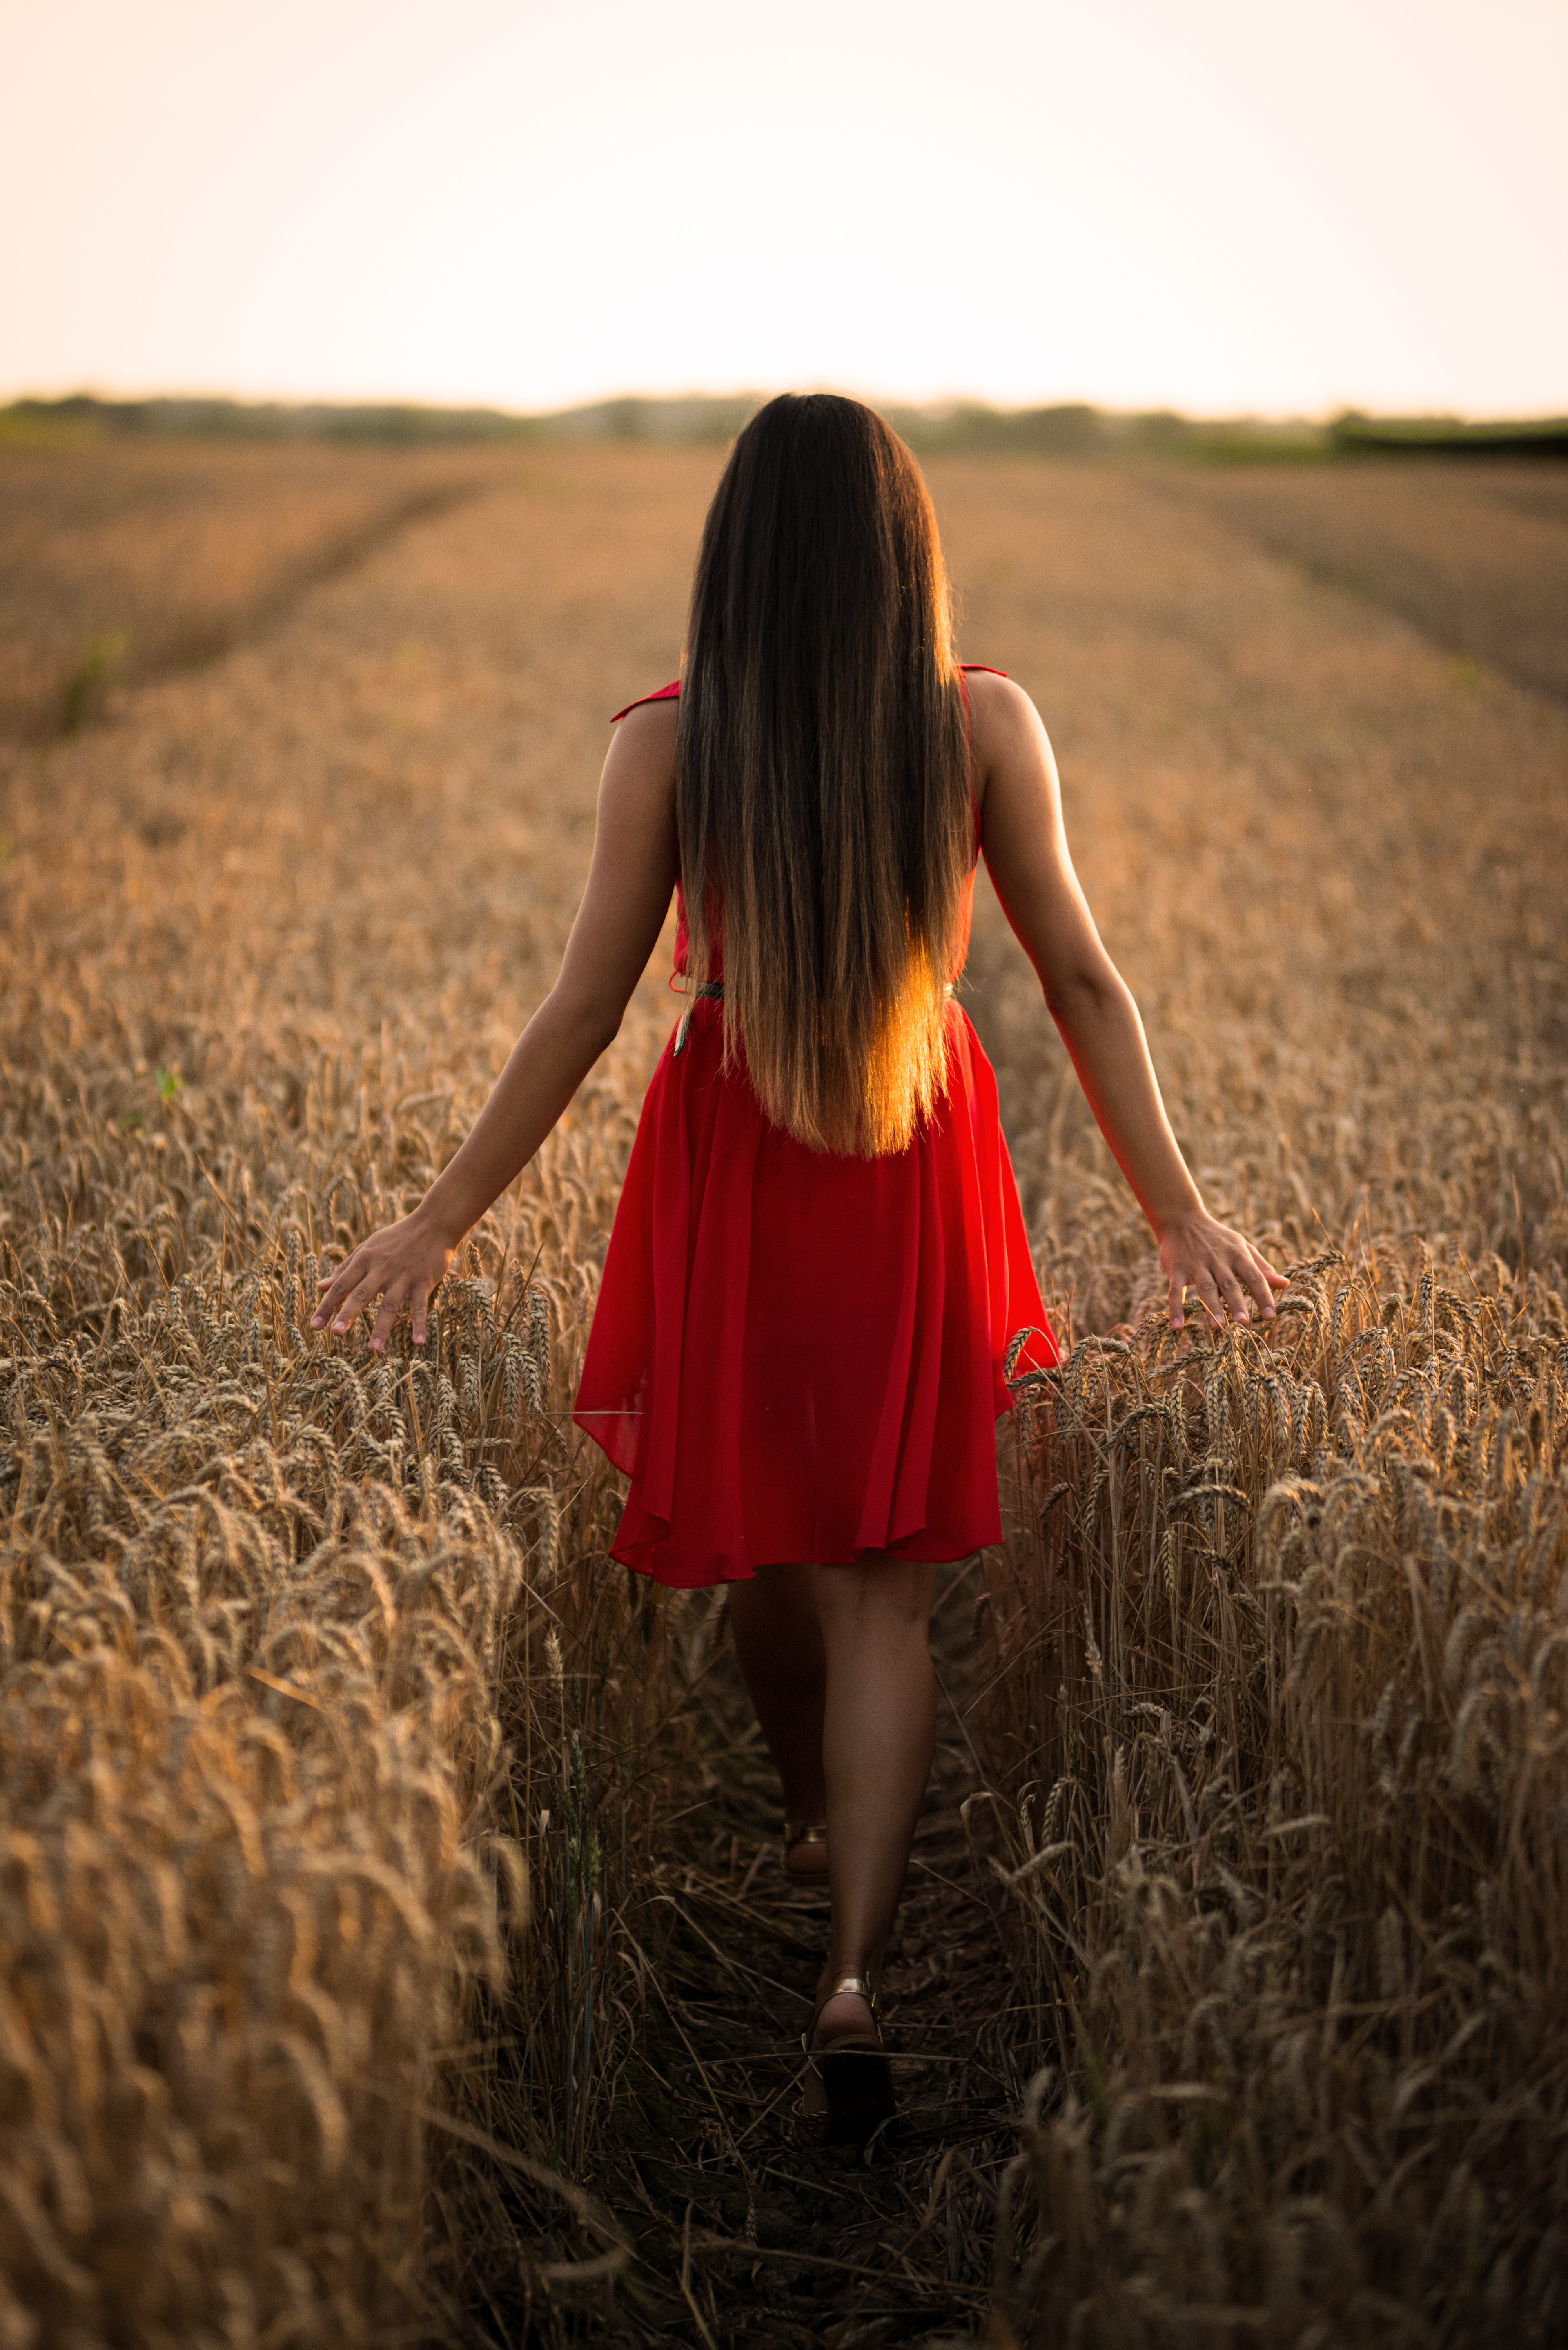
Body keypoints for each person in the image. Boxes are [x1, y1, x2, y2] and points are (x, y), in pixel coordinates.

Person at [312, 393, 1284, 2141]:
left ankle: (813, 1809)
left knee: (762, 1538)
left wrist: (440, 1215)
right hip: (914, 1151)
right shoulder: (983, 723)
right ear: (913, 553)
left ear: (736, 557)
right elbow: (1082, 979)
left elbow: (586, 1005)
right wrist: (1175, 1212)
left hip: (738, 1153)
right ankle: (854, 1963)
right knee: (886, 1584)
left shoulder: (671, 744)